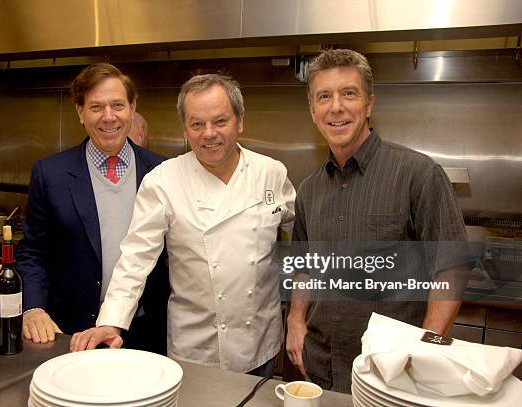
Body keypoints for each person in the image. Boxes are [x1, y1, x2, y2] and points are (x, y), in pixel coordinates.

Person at [70, 74, 296, 377]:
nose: (209, 134)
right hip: (194, 349)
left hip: (259, 342)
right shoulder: (163, 181)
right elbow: (136, 259)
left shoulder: (271, 173)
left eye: (220, 121)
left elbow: (301, 234)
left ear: (240, 121)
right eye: (197, 124)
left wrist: (301, 310)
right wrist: (111, 321)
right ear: (185, 129)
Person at [286, 49, 470, 393]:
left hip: (393, 372)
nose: (336, 107)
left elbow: (452, 267)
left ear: (369, 104)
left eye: (349, 93)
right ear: (313, 111)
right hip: (322, 366)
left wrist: (425, 349)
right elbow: (304, 265)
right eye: (324, 96)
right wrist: (296, 320)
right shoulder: (309, 190)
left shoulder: (418, 173)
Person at [16, 63, 169, 354]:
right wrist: (33, 307)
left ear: (132, 107)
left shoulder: (162, 170)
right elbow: (34, 251)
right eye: (96, 107)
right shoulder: (51, 174)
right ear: (80, 111)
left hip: (145, 330)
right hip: (73, 332)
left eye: (117, 105)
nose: (108, 116)